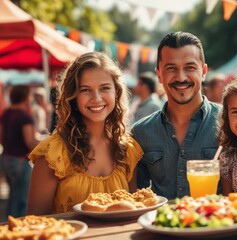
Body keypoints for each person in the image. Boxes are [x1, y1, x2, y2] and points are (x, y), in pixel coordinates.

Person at [27, 52, 143, 215]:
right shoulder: (53, 154)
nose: (96, 98)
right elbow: (35, 224)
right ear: (73, 96)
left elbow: (132, 212)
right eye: (85, 90)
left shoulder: (128, 150)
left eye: (104, 88)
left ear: (116, 93)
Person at [132, 31, 221, 200]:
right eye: (171, 68)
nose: (181, 77)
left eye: (190, 68)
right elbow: (138, 199)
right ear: (159, 74)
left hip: (219, 223)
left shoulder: (229, 123)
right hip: (162, 224)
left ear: (203, 72)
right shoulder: (140, 132)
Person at [0, 85, 39, 217]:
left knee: (13, 197)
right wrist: (47, 145)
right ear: (26, 97)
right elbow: (30, 142)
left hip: (6, 159)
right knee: (22, 200)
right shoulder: (24, 116)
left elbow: (1, 137)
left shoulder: (6, 113)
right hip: (20, 161)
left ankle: (7, 225)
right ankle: (17, 230)